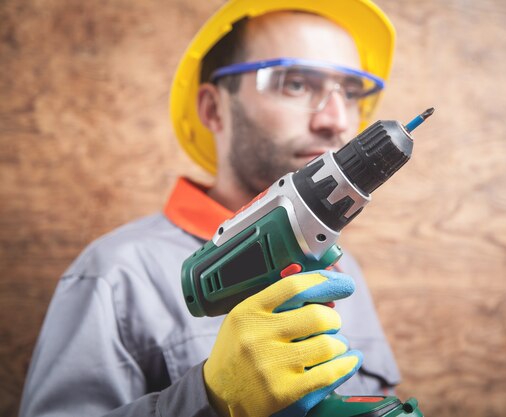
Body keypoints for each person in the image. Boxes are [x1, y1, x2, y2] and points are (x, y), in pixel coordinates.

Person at [19, 0, 401, 416]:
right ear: (213, 108)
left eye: (350, 92)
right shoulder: (116, 275)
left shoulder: (344, 270)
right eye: (296, 84)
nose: (337, 120)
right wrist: (210, 399)